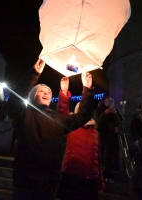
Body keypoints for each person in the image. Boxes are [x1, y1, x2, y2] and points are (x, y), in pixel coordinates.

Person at [8, 58, 94, 200]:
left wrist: (87, 89)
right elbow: (15, 98)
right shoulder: (23, 115)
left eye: (48, 91)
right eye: (41, 91)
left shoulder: (58, 119)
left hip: (48, 184)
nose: (47, 92)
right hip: (25, 183)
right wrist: (34, 73)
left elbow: (83, 116)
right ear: (32, 96)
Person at [57, 77, 104, 200]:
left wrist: (100, 180)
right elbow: (62, 114)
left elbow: (97, 159)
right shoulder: (71, 128)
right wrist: (64, 92)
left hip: (90, 181)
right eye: (80, 111)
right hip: (72, 177)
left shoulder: (95, 132)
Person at [95, 96, 123, 183]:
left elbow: (119, 122)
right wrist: (105, 113)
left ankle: (110, 175)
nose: (108, 103)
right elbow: (98, 121)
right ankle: (102, 175)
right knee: (104, 156)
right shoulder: (99, 110)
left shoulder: (114, 110)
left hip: (112, 136)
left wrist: (115, 114)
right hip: (103, 135)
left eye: (109, 101)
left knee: (110, 156)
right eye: (106, 101)